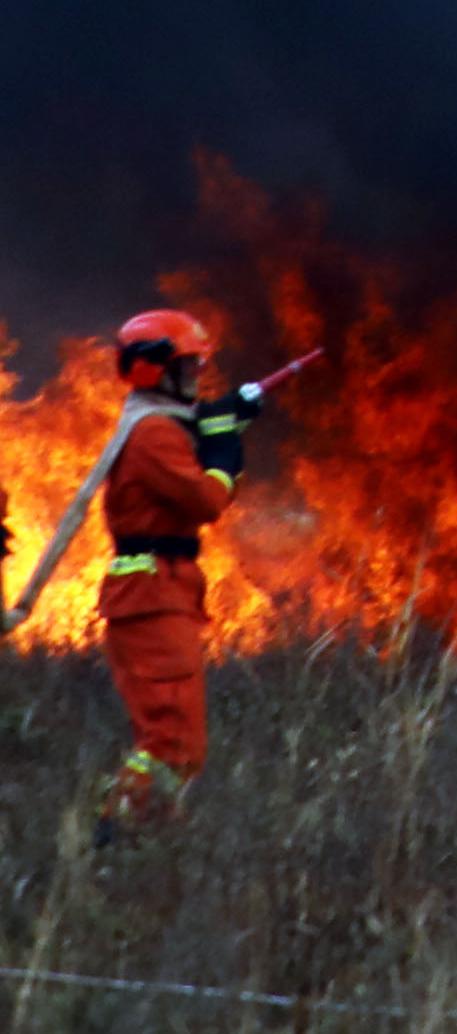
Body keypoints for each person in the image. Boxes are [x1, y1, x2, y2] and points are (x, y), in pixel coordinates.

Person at [78, 310, 268, 816]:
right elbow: (205, 500)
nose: (196, 377)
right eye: (189, 367)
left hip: (156, 596)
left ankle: (130, 831)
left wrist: (221, 419)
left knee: (173, 741)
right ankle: (117, 830)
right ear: (157, 369)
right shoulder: (154, 434)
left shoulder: (156, 425)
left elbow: (192, 437)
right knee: (172, 743)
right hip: (153, 600)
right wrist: (224, 452)